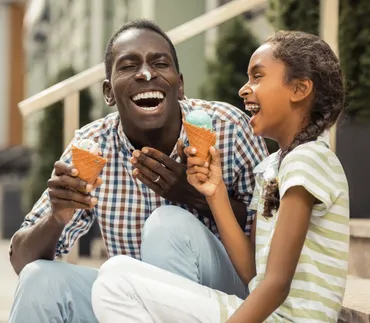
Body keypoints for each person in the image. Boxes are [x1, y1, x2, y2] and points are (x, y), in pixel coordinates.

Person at [8, 19, 268, 323]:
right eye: (129, 66)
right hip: (129, 306)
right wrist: (55, 217)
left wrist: (193, 196)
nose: (146, 73)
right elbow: (20, 259)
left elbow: (272, 233)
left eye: (160, 63)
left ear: (180, 85)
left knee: (168, 224)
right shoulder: (93, 146)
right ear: (108, 93)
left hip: (227, 302)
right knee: (40, 279)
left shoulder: (228, 129)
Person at [92, 30, 349, 322]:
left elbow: (276, 285)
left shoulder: (309, 159)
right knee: (115, 271)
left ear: (299, 89)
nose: (244, 89)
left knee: (115, 286)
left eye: (258, 76)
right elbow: (254, 273)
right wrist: (214, 193)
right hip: (268, 313)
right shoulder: (274, 167)